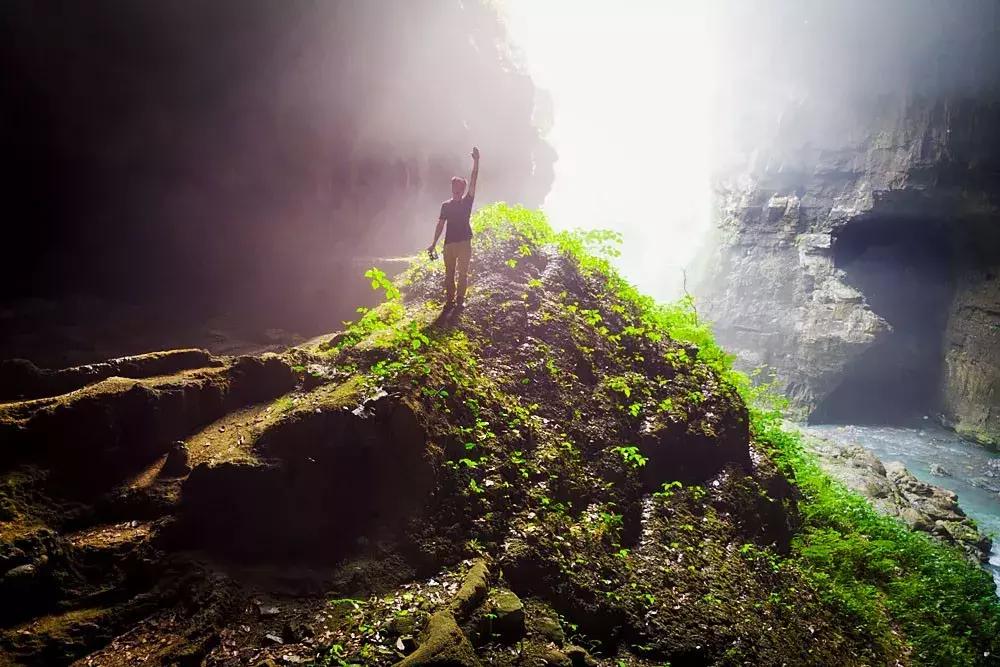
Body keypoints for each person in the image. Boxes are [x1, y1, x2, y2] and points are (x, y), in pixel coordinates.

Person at [428, 147, 479, 309]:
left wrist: (476, 161)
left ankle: (460, 299)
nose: (457, 191)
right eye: (455, 189)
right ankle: (450, 300)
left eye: (460, 189)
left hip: (464, 242)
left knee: (463, 273)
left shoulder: (467, 201)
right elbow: (440, 224)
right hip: (449, 244)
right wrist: (434, 243)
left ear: (463, 190)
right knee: (449, 274)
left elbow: (474, 180)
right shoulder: (446, 205)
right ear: (452, 188)